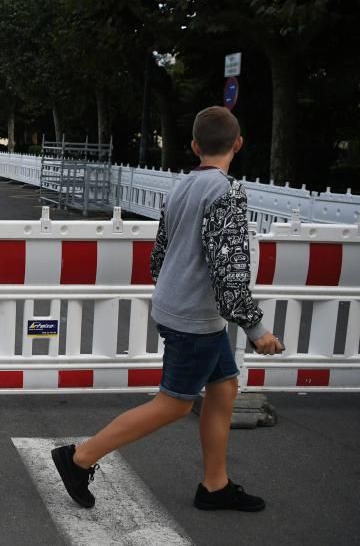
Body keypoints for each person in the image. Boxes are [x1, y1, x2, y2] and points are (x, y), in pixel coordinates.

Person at [51, 106, 284, 512]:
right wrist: (256, 329)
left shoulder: (179, 189)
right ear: (239, 144)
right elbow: (229, 270)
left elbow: (160, 256)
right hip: (196, 317)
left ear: (194, 146)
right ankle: (78, 458)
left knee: (224, 387)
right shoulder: (227, 192)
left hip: (183, 308)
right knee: (173, 403)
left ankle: (215, 485)